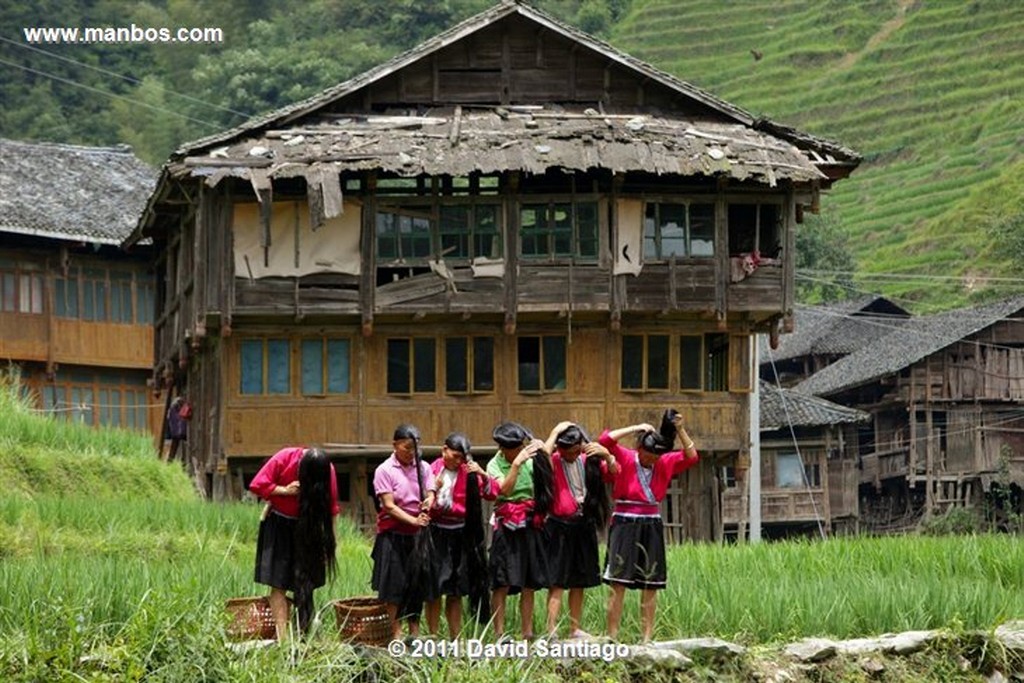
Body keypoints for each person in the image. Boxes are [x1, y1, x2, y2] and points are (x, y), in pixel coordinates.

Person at [599, 409, 699, 642]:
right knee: (618, 581)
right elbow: (605, 440)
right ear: (639, 449)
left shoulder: (664, 462)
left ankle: (647, 637)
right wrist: (636, 428)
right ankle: (612, 636)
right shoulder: (625, 457)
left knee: (651, 581)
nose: (651, 460)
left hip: (651, 522)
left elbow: (692, 456)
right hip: (625, 520)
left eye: (655, 457)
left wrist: (680, 430)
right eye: (648, 456)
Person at [249, 446, 339, 639]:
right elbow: (257, 484)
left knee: (305, 583)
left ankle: (304, 634)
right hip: (279, 524)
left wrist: (331, 542)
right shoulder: (285, 457)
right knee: (278, 582)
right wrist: (284, 490)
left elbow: (332, 508)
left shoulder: (326, 469)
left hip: (309, 527)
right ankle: (283, 639)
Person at [543, 421, 618, 639]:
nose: (573, 455)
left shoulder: (588, 461)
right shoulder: (554, 461)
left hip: (583, 524)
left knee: (579, 580)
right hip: (559, 526)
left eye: (577, 450)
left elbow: (614, 473)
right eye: (569, 451)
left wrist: (606, 455)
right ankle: (551, 629)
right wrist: (555, 431)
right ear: (560, 448)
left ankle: (574, 629)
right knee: (557, 580)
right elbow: (543, 453)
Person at [424, 432, 497, 638]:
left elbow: (492, 493)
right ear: (444, 450)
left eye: (461, 458)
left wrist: (482, 474)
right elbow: (423, 500)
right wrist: (432, 491)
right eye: (454, 456)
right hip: (436, 533)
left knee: (455, 590)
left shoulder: (469, 472)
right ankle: (433, 636)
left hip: (461, 535)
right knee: (434, 589)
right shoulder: (432, 470)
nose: (458, 461)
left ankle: (455, 638)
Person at [486, 421, 552, 640]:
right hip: (506, 525)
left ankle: (527, 632)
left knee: (529, 581)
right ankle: (499, 633)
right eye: (514, 449)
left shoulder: (531, 462)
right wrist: (515, 465)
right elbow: (502, 490)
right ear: (504, 448)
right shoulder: (494, 465)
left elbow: (547, 479)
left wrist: (542, 452)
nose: (519, 451)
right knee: (501, 580)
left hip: (530, 523)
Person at [372, 424, 435, 641]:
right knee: (393, 587)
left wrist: (429, 501)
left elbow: (431, 490)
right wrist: (414, 520)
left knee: (416, 585)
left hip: (417, 536)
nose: (411, 453)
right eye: (407, 448)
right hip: (393, 534)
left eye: (415, 449)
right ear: (395, 445)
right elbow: (388, 505)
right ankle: (395, 635)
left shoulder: (424, 467)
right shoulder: (385, 470)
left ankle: (415, 633)